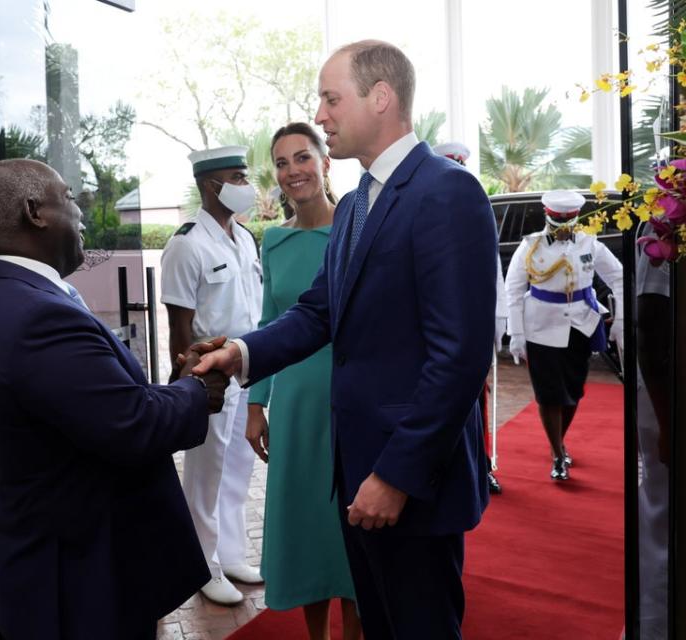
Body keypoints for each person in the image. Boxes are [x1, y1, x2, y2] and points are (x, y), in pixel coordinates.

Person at [194, 40, 497, 638]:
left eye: (331, 99)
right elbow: (317, 313)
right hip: (357, 472)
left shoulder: (448, 192)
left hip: (409, 483)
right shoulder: (358, 203)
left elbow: (458, 359)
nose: (323, 113)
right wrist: (242, 354)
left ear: (380, 98)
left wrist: (397, 476)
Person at [0, 158, 230, 640]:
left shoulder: (1, 293)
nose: (81, 214)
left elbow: (95, 405)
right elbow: (132, 425)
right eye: (70, 198)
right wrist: (197, 390)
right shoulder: (35, 315)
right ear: (34, 211)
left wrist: (173, 383)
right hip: (78, 573)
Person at [245, 123, 360, 640]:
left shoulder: (358, 231)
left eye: (303, 157)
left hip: (350, 396)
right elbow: (271, 322)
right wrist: (255, 402)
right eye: (283, 163)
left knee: (348, 521)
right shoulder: (273, 240)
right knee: (306, 520)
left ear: (325, 162)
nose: (294, 171)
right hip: (292, 400)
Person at [160, 146, 264, 605]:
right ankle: (204, 565)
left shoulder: (244, 239)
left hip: (249, 367)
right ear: (210, 185)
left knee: (238, 466)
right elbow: (179, 328)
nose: (246, 186)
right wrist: (190, 389)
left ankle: (233, 552)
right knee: (206, 473)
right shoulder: (186, 244)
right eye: (236, 178)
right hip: (211, 377)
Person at [504, 189, 624, 481]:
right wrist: (516, 334)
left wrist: (620, 319)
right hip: (541, 329)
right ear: (548, 215)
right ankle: (558, 454)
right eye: (559, 219)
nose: (563, 224)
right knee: (548, 394)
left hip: (580, 326)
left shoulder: (588, 244)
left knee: (572, 392)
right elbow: (514, 289)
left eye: (569, 219)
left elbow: (619, 276)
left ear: (575, 218)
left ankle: (559, 441)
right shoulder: (530, 246)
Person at [433, 141, 506, 494]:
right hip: (435, 336)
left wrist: (499, 326)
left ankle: (483, 464)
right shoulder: (425, 214)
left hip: (472, 332)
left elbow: (495, 276)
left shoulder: (477, 213)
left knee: (476, 403)